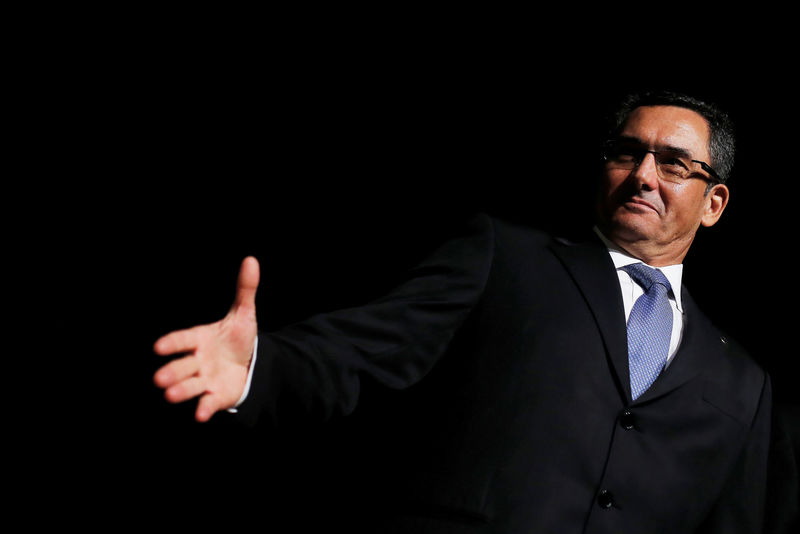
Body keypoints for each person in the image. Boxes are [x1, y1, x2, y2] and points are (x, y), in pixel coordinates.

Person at [153, 90, 781, 533]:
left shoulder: (743, 382)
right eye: (626, 153)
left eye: (673, 163)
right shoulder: (505, 258)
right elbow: (359, 351)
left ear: (714, 203)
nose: (644, 174)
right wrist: (259, 369)